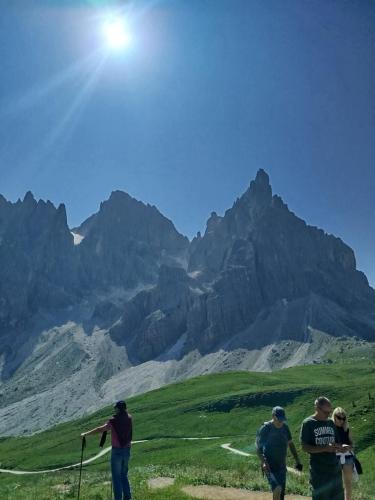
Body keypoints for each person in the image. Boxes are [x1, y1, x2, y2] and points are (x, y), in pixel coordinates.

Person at [81, 400, 133, 500]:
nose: (115, 410)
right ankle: (128, 498)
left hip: (117, 451)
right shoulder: (129, 418)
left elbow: (101, 429)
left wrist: (86, 434)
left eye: (116, 408)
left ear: (118, 409)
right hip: (127, 450)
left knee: (116, 478)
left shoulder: (113, 420)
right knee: (124, 475)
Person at [300, 396, 349, 500]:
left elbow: (335, 443)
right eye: (326, 412)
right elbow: (304, 447)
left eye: (330, 412)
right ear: (317, 408)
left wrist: (341, 447)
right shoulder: (308, 423)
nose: (329, 415)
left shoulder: (330, 423)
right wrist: (324, 448)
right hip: (319, 473)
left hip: (335, 471)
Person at [256, 406, 303, 500]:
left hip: (281, 466)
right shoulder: (266, 428)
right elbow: (258, 448)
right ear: (273, 416)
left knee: (281, 495)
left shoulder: (285, 428)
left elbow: (290, 444)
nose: (281, 422)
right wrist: (264, 462)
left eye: (282, 419)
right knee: (277, 489)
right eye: (279, 419)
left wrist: (297, 460)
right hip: (269, 466)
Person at [332, 407, 354, 500]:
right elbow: (329, 443)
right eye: (339, 418)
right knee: (336, 483)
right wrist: (339, 447)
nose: (341, 421)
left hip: (347, 456)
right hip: (335, 457)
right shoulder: (330, 428)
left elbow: (352, 443)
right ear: (334, 417)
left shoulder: (347, 429)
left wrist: (349, 447)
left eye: (343, 418)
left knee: (348, 483)